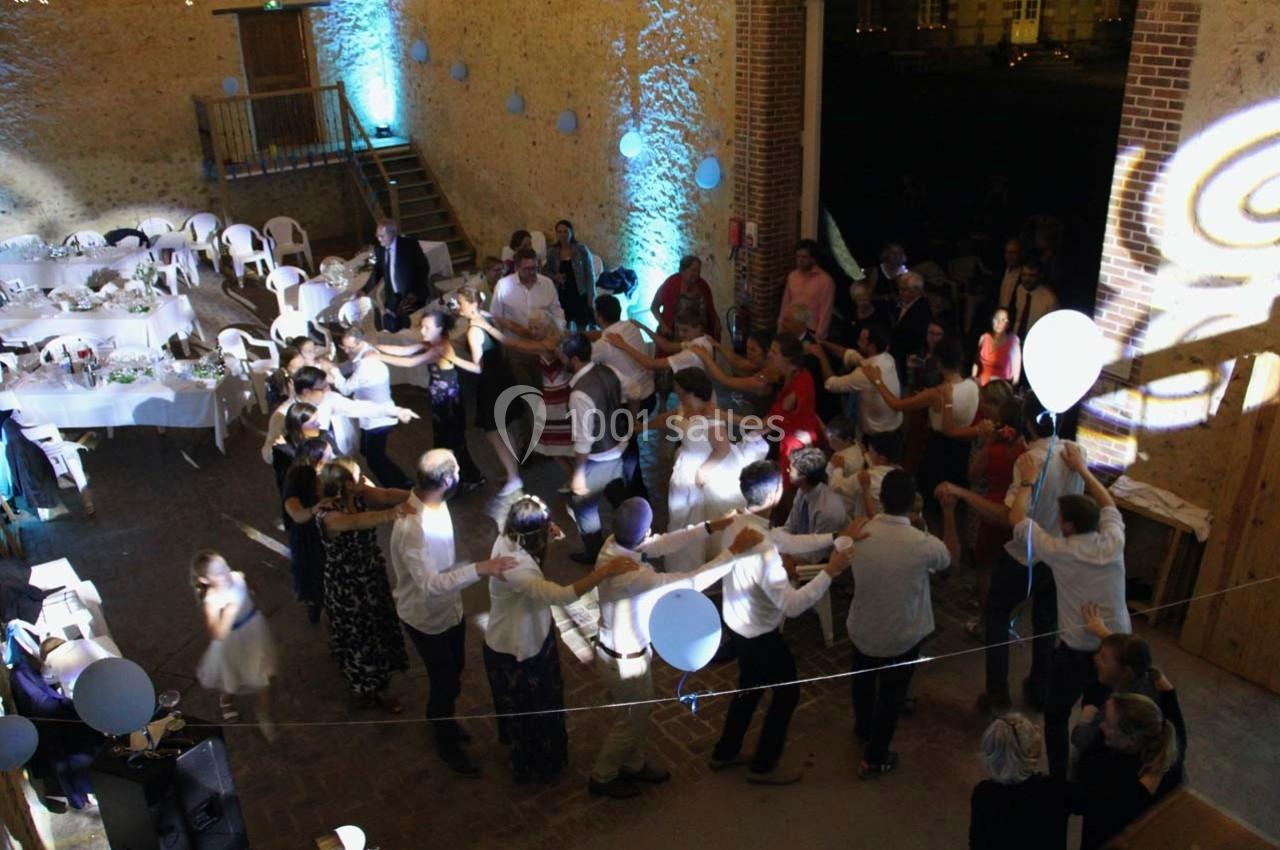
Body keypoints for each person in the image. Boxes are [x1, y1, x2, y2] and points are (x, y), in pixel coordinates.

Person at [588, 499, 764, 798]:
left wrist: (710, 527)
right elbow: (691, 583)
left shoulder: (614, 545)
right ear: (641, 535)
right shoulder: (634, 576)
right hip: (625, 661)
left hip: (622, 651)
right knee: (631, 721)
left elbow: (659, 544)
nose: (652, 534)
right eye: (648, 531)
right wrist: (733, 552)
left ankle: (633, 763)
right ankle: (603, 776)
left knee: (639, 716)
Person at [711, 461, 854, 784]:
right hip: (761, 633)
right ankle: (763, 765)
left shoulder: (740, 524)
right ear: (776, 493)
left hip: (739, 623)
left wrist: (833, 537)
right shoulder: (765, 553)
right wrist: (830, 571)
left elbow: (783, 540)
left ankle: (726, 751)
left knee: (749, 687)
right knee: (786, 693)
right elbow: (792, 605)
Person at [484, 496, 639, 783]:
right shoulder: (515, 569)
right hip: (517, 649)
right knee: (532, 712)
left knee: (539, 705)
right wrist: (604, 570)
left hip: (533, 636)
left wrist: (546, 533)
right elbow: (562, 595)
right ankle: (536, 765)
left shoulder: (508, 539)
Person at [388, 450, 517, 775]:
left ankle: (444, 719)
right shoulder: (411, 528)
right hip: (425, 617)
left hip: (450, 607)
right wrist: (481, 568)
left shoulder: (432, 499)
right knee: (444, 682)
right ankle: (445, 740)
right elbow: (429, 584)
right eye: (457, 469)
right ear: (447, 480)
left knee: (454, 671)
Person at [1009, 442, 1131, 780]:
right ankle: (1089, 760)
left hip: (1078, 651)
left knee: (1056, 715)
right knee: (1101, 710)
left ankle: (1060, 777)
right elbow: (1108, 503)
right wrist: (1081, 469)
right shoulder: (1112, 540)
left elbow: (1016, 518)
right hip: (1116, 645)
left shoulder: (1059, 550)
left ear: (1066, 526)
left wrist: (1028, 482)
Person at [847, 470, 952, 778]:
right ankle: (875, 757)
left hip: (863, 625)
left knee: (862, 681)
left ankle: (863, 728)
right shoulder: (922, 543)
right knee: (892, 694)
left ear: (880, 499)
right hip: (902, 633)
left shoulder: (860, 532)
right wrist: (946, 515)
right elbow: (947, 562)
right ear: (911, 503)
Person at [314, 458, 416, 713]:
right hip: (349, 584)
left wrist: (418, 494)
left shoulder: (358, 493)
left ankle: (372, 680)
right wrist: (393, 513)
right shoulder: (328, 515)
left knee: (377, 627)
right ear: (345, 485)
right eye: (357, 477)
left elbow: (386, 494)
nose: (362, 480)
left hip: (370, 574)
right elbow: (358, 522)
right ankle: (369, 690)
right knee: (362, 636)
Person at [865, 337, 979, 515]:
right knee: (954, 504)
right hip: (962, 449)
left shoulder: (937, 393)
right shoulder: (973, 385)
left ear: (939, 363)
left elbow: (896, 405)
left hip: (939, 449)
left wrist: (877, 381)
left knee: (932, 503)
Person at [1072, 613, 1187, 785]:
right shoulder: (1149, 679)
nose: (1095, 659)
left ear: (1126, 672)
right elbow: (1135, 655)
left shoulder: (1121, 708)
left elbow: (1082, 740)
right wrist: (1103, 632)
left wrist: (1086, 718)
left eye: (1103, 658)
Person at [375, 311, 485, 489]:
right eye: (422, 327)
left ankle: (462, 479)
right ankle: (462, 477)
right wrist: (375, 346)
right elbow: (404, 351)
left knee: (452, 441)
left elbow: (411, 362)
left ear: (440, 328)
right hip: (439, 400)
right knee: (447, 439)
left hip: (448, 403)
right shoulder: (430, 343)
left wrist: (377, 356)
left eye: (427, 327)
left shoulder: (441, 348)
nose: (423, 331)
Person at [1072, 693, 1181, 850]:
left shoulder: (1130, 789)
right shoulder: (1115, 744)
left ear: (1131, 739)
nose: (1101, 726)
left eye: (1109, 724)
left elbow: (1084, 798)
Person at [662, 369, 743, 571]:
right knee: (680, 516)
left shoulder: (710, 413)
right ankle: (681, 563)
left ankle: (697, 563)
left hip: (701, 468)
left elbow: (722, 448)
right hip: (684, 464)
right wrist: (643, 427)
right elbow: (670, 418)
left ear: (692, 392)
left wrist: (703, 471)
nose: (677, 394)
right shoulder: (684, 405)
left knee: (697, 516)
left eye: (680, 391)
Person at [192, 551, 277, 738]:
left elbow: (246, 584)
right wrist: (229, 614)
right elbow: (216, 634)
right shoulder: (211, 601)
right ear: (205, 580)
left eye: (225, 567)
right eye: (219, 573)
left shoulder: (236, 577)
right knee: (233, 678)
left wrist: (251, 589)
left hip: (255, 630)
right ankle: (226, 699)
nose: (226, 574)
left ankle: (263, 713)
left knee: (264, 675)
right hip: (233, 642)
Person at [563, 334, 631, 563]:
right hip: (618, 449)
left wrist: (578, 475)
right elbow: (636, 391)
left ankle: (595, 556)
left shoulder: (579, 393)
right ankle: (632, 540)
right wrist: (628, 427)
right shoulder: (610, 371)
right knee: (618, 497)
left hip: (597, 457)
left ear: (573, 359)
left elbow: (583, 440)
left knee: (584, 508)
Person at [451, 287, 523, 494]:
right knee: (506, 428)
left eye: (461, 302)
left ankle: (513, 476)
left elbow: (477, 367)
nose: (458, 306)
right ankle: (513, 469)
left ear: (473, 304)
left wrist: (453, 358)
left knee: (493, 433)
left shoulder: (474, 330)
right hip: (503, 376)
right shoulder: (488, 317)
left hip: (490, 383)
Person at [969, 714, 1069, 850]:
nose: (1037, 727)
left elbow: (977, 844)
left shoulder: (983, 795)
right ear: (1031, 752)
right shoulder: (1054, 791)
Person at [336, 326, 412, 489]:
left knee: (374, 460)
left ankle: (399, 487)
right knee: (366, 450)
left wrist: (332, 372)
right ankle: (401, 481)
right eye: (344, 347)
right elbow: (350, 365)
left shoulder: (367, 363)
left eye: (350, 347)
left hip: (378, 417)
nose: (347, 351)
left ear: (360, 342)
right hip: (371, 413)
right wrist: (335, 368)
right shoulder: (361, 353)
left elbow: (346, 388)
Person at [289, 366, 419, 458]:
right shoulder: (287, 412)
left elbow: (359, 408)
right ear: (306, 391)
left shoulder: (329, 398)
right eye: (322, 387)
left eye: (327, 385)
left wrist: (395, 410)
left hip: (338, 455)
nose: (328, 389)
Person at [490, 247, 567, 389]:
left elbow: (557, 313)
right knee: (525, 388)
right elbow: (496, 316)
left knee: (545, 387)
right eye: (527, 269)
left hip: (543, 348)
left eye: (534, 268)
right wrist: (502, 347)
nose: (532, 272)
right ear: (517, 267)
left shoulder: (547, 284)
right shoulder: (504, 285)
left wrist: (558, 337)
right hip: (517, 348)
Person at [813, 323, 903, 439]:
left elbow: (831, 384)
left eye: (861, 341)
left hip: (877, 436)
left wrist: (821, 356)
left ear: (872, 347)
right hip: (893, 427)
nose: (857, 343)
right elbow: (851, 355)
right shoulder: (888, 358)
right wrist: (823, 343)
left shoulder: (864, 374)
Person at [282, 437, 332, 623]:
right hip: (308, 537)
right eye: (327, 455)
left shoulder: (314, 472)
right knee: (315, 574)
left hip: (318, 532)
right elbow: (296, 513)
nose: (330, 457)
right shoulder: (298, 478)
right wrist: (313, 509)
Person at [766, 334, 823, 493]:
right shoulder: (799, 374)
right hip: (796, 438)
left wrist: (726, 416)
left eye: (774, 352)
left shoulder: (793, 395)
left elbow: (767, 424)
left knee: (789, 492)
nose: (769, 355)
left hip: (795, 447)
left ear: (789, 360)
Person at [780, 447, 849, 578]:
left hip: (822, 564)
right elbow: (791, 526)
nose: (787, 470)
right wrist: (783, 549)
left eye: (792, 469)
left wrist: (787, 555)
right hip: (798, 550)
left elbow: (816, 554)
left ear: (804, 478)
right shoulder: (803, 490)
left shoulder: (828, 509)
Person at [362, 220, 431, 332]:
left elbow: (423, 269)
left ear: (392, 233)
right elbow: (377, 272)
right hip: (392, 297)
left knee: (415, 328)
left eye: (382, 236)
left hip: (412, 296)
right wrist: (364, 290)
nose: (379, 239)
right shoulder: (379, 249)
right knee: (393, 329)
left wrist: (415, 292)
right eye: (377, 235)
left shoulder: (409, 245)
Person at [591, 294, 655, 412]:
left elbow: (581, 362)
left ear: (599, 317)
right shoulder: (632, 325)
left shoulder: (603, 344)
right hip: (650, 395)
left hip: (628, 404)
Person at [650, 254, 721, 342]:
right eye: (693, 270)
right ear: (683, 271)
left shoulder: (703, 286)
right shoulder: (671, 284)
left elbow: (711, 311)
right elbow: (654, 307)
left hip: (699, 337)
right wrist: (663, 325)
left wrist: (716, 326)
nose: (697, 274)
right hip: (676, 337)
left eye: (698, 271)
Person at [778, 239, 835, 340]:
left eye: (804, 257)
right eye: (798, 256)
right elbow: (785, 304)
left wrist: (818, 339)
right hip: (791, 328)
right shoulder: (792, 276)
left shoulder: (825, 281)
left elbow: (825, 313)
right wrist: (780, 327)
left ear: (814, 259)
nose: (800, 260)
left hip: (810, 332)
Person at [543, 219, 595, 329]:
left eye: (566, 231)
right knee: (563, 325)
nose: (563, 235)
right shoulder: (552, 252)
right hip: (561, 294)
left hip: (579, 293)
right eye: (559, 232)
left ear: (571, 232)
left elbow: (590, 274)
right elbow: (545, 272)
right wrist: (555, 276)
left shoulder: (581, 250)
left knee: (582, 326)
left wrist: (591, 298)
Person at [890, 271, 932, 384]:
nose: (900, 292)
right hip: (897, 355)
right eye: (900, 289)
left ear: (917, 291)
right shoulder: (900, 305)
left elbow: (916, 336)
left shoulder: (923, 310)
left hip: (909, 357)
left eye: (904, 289)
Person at [1005, 257, 1059, 342]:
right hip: (1015, 340)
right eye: (1024, 275)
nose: (1026, 279)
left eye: (1031, 276)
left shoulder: (1050, 300)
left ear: (1040, 276)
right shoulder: (1020, 289)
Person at [823, 417, 865, 517]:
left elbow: (834, 486)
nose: (830, 444)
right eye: (829, 439)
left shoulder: (839, 459)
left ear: (848, 439)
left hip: (842, 505)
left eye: (834, 441)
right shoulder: (857, 445)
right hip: (855, 500)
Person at [974, 308, 1022, 386]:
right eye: (996, 319)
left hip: (1000, 389)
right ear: (991, 321)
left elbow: (1016, 376)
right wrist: (974, 380)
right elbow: (976, 363)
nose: (999, 323)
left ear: (1008, 324)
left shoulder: (1013, 342)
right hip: (981, 385)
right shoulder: (984, 337)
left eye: (1003, 320)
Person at [994, 239, 1025, 320]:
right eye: (1007, 252)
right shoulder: (999, 272)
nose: (1009, 256)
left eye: (1013, 253)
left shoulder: (1024, 275)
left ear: (1020, 254)